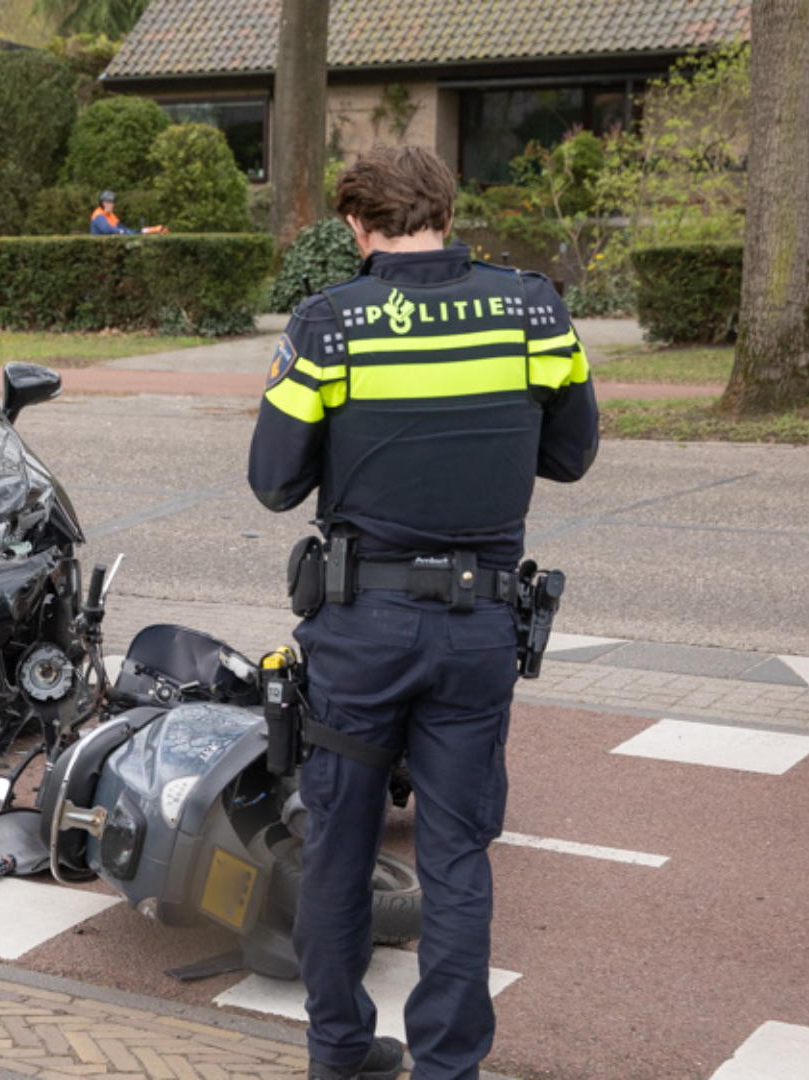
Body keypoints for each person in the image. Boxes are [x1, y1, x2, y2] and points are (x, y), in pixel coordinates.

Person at [246, 145, 597, 1080]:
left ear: (357, 227)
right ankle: (449, 1068)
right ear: (448, 205)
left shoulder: (329, 324)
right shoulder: (533, 309)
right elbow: (571, 457)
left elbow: (273, 482)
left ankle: (343, 1053)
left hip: (361, 628)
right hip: (479, 628)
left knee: (338, 847)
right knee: (457, 858)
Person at [89, 191, 166, 235]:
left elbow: (124, 228)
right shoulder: (98, 215)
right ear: (102, 203)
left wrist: (151, 230)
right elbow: (107, 230)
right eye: (109, 202)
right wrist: (123, 232)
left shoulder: (111, 215)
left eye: (112, 202)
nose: (112, 205)